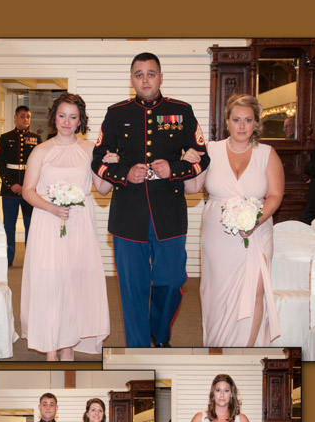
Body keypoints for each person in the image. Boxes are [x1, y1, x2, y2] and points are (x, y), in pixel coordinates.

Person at [92, 52, 209, 348]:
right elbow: (97, 160)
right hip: (128, 215)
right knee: (132, 290)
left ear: (160, 77)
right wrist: (123, 173)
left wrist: (176, 169)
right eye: (139, 74)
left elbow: (202, 156)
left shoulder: (181, 110)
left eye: (151, 73)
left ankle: (160, 334)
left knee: (171, 281)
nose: (145, 79)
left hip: (168, 214)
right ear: (131, 79)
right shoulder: (116, 113)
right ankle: (139, 348)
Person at [20, 94, 113, 360]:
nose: (67, 122)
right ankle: (51, 347)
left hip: (80, 224)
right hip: (48, 222)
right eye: (62, 115)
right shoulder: (41, 151)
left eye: (73, 117)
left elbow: (103, 189)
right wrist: (52, 208)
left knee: (74, 281)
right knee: (50, 282)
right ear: (54, 117)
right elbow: (28, 191)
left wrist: (112, 168)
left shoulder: (90, 149)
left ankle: (68, 345)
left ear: (80, 120)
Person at [186, 94, 284, 346]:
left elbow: (275, 195)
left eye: (248, 120)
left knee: (255, 291)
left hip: (257, 231)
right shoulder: (210, 150)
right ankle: (219, 344)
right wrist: (188, 165)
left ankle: (247, 347)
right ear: (227, 121)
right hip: (218, 235)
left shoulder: (267, 153)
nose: (242, 126)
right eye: (236, 119)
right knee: (218, 294)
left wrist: (255, 221)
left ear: (255, 124)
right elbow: (192, 188)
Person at [0, 105, 40, 267]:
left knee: (31, 225)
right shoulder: (5, 138)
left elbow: (39, 166)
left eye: (28, 116)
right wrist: (11, 184)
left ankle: (30, 259)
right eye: (22, 116)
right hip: (10, 190)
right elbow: (1, 165)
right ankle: (8, 258)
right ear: (15, 117)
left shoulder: (36, 139)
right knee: (9, 226)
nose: (25, 119)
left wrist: (29, 186)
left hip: (29, 190)